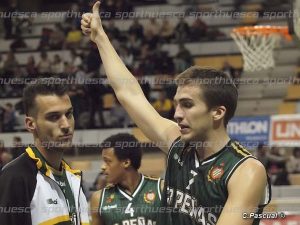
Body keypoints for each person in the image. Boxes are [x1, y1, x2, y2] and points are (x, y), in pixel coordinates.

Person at [81, 2, 271, 225]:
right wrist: (100, 37)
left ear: (218, 112)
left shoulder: (245, 170)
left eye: (187, 105)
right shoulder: (177, 144)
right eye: (177, 105)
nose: (177, 114)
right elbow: (128, 93)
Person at [0, 78, 89, 225]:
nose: (66, 125)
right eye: (53, 117)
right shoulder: (15, 177)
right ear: (30, 124)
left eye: (69, 114)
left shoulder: (74, 178)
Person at [90, 133, 163, 225]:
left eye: (108, 161)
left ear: (126, 162)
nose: (103, 167)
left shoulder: (160, 189)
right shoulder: (98, 198)